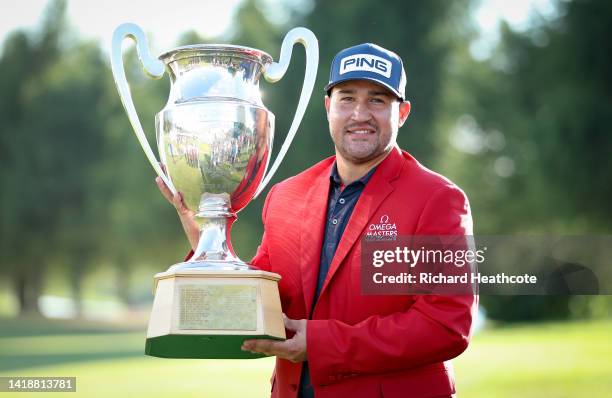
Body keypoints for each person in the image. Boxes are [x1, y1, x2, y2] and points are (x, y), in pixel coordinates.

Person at [157, 43, 477, 398]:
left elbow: (446, 325)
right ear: (328, 107)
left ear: (402, 113)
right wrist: (205, 238)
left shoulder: (437, 199)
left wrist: (322, 343)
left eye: (377, 100)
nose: (360, 114)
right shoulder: (286, 195)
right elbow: (260, 303)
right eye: (347, 98)